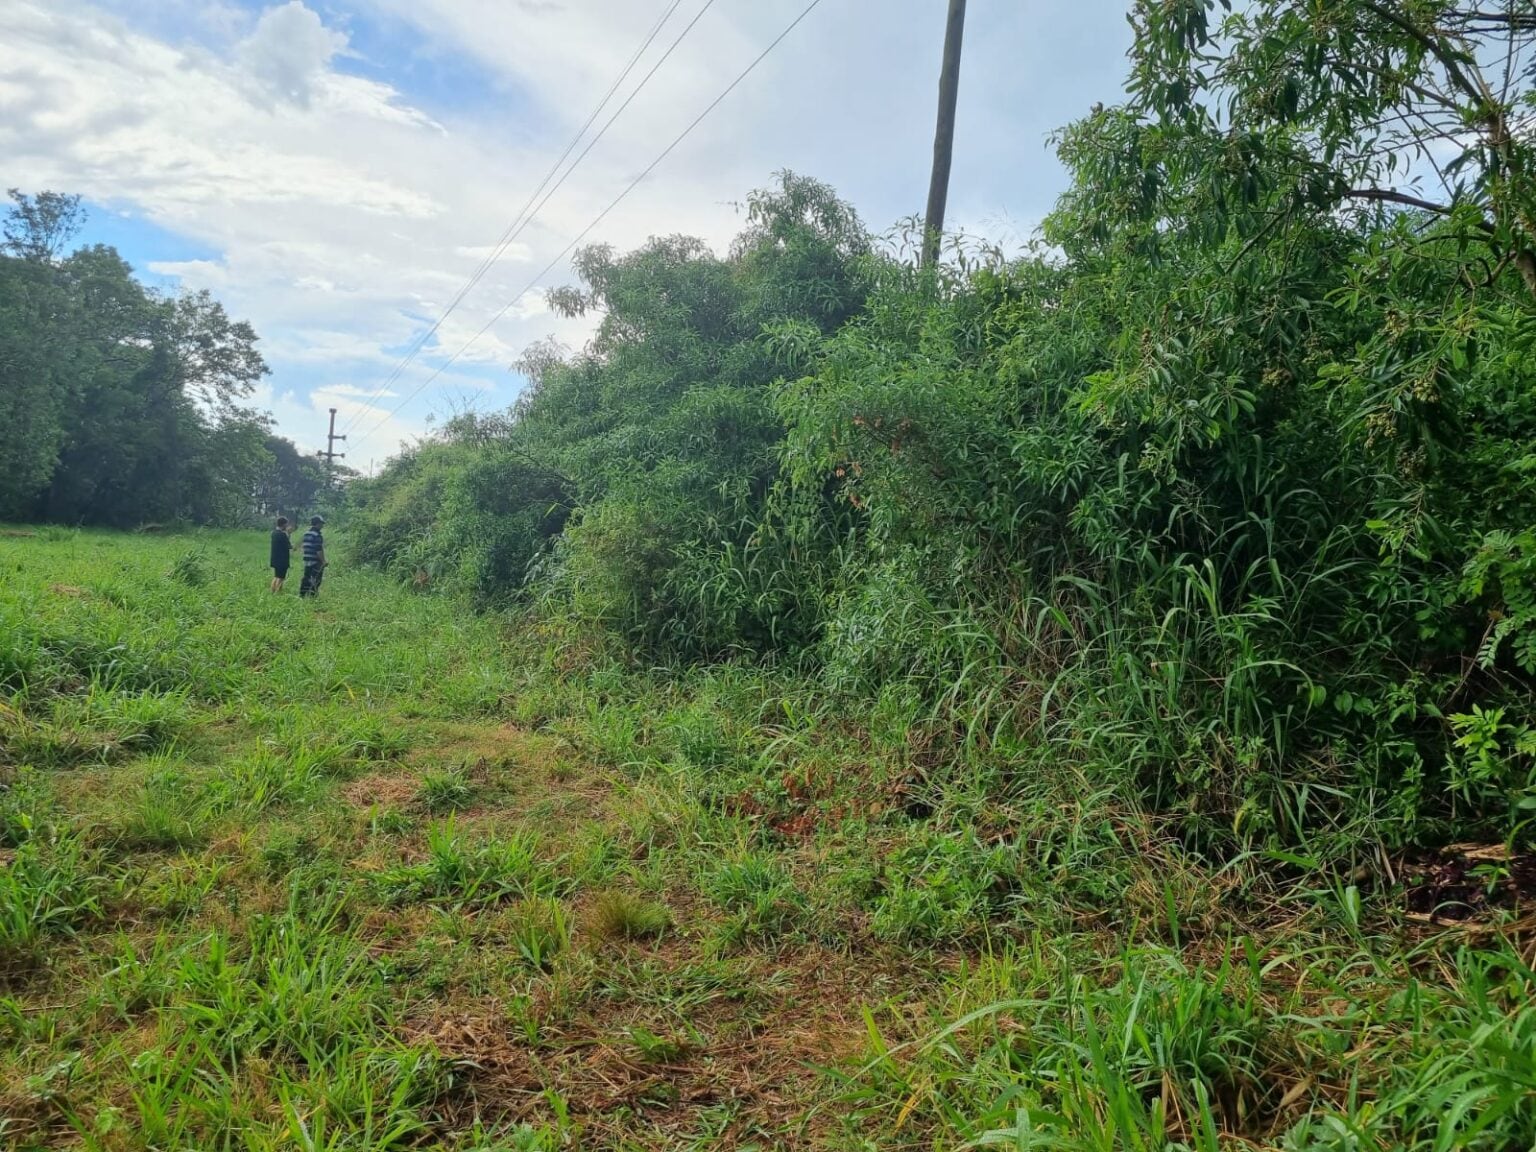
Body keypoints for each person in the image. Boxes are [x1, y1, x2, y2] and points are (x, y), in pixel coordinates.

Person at [299, 515, 327, 598]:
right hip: (315, 560)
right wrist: (323, 561)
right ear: (317, 524)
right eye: (321, 524)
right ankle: (313, 595)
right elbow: (318, 550)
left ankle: (302, 594)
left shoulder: (306, 533)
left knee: (306, 577)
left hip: (307, 559)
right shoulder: (317, 535)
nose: (322, 525)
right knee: (316, 578)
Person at [269, 517, 293, 593]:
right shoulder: (282, 535)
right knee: (281, 577)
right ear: (284, 524)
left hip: (275, 559)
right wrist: (288, 534)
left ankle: (272, 591)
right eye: (286, 524)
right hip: (282, 560)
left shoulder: (274, 533)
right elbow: (289, 546)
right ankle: (278, 592)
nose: (287, 526)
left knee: (276, 576)